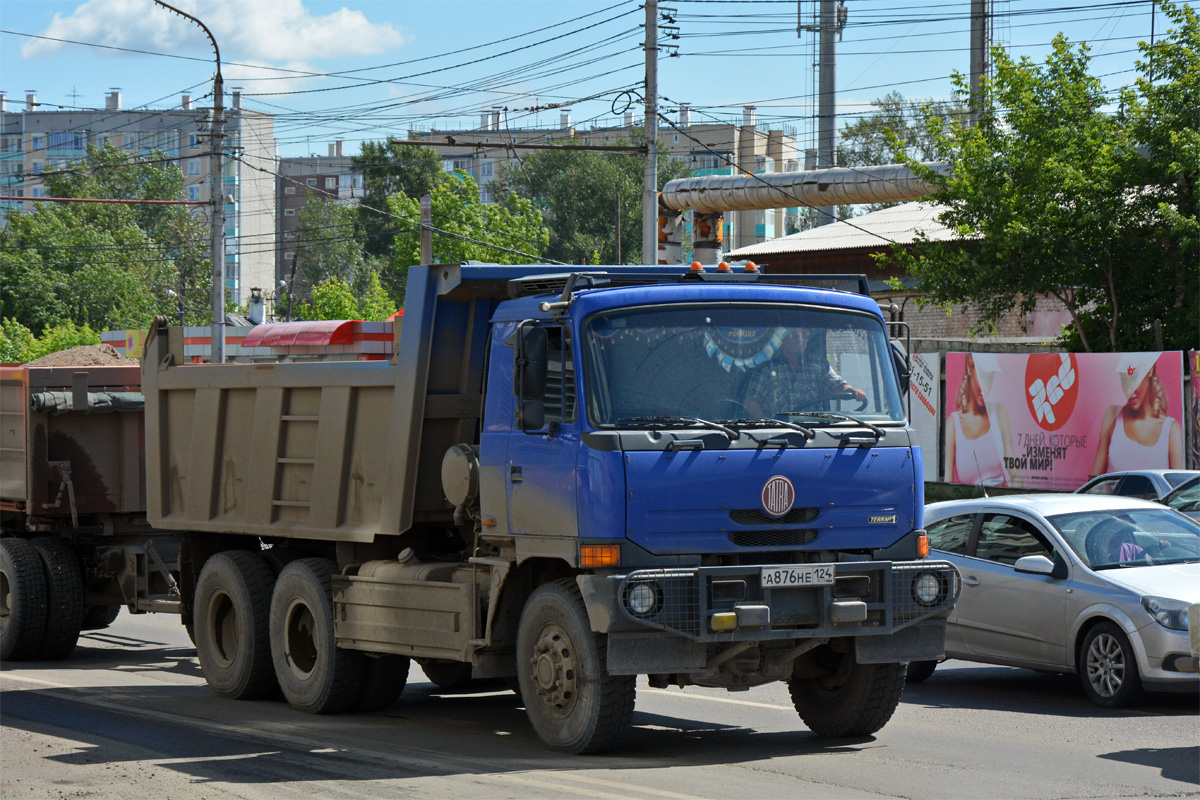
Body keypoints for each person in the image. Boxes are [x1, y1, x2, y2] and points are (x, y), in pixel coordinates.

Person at [1091, 354, 1184, 476]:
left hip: (1155, 496)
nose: (1129, 390)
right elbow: (1095, 477)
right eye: (1124, 380)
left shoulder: (1171, 429)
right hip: (1114, 496)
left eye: (1134, 377)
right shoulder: (1113, 415)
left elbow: (1176, 485)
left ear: (1149, 371)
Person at [742, 327, 865, 419]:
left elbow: (836, 385)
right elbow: (750, 402)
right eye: (795, 335)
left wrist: (851, 390)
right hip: (778, 434)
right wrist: (768, 425)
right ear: (782, 339)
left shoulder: (818, 365)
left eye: (805, 335)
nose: (801, 340)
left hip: (813, 433)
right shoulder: (767, 368)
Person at [945, 353, 1016, 486]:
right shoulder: (954, 425)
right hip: (970, 506)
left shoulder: (999, 412)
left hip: (998, 503)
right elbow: (947, 483)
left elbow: (1014, 471)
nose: (987, 387)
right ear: (970, 368)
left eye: (991, 378)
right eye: (983, 376)